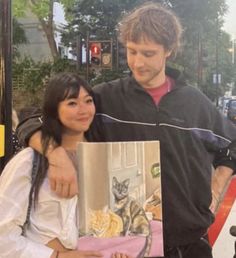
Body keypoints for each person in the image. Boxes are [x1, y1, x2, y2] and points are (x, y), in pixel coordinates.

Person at [16, 3, 236, 258]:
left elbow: (231, 144)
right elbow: (32, 122)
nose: (138, 62)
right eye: (131, 51)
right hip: (125, 247)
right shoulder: (104, 99)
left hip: (190, 245)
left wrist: (219, 182)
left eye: (148, 53)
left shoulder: (195, 103)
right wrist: (55, 157)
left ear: (169, 51)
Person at [0, 73, 130, 258]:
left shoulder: (106, 161)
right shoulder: (30, 161)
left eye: (88, 101)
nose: (83, 110)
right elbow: (3, 237)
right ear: (54, 110)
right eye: (72, 103)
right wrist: (57, 256)